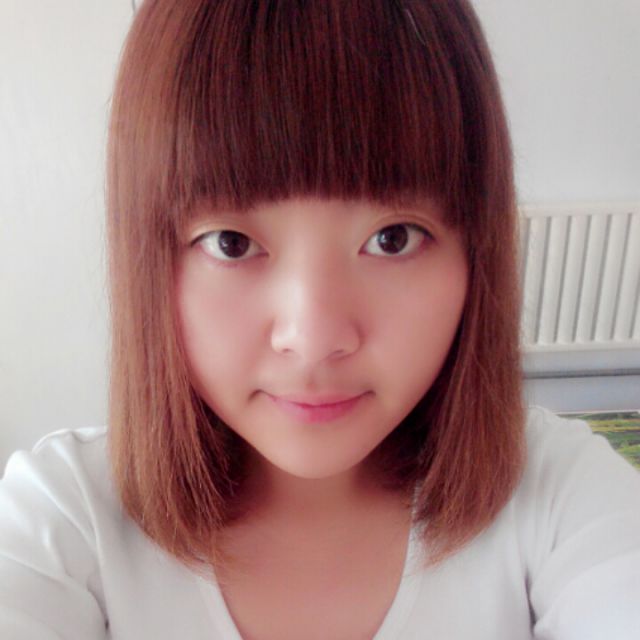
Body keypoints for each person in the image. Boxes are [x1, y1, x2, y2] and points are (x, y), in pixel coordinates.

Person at [1, 1, 639, 638]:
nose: (313, 339)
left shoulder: (559, 491)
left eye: (393, 238)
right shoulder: (64, 516)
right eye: (231, 243)